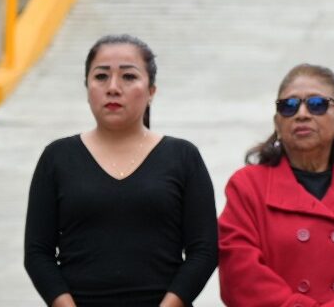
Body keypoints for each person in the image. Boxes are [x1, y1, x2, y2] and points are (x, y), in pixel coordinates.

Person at [24, 34, 218, 307]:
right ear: (87, 87)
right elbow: (37, 253)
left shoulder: (183, 157)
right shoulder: (57, 157)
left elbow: (204, 251)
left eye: (128, 76)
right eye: (101, 76)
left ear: (151, 91)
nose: (113, 88)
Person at [219, 63, 334, 307]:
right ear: (277, 123)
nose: (302, 114)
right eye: (289, 106)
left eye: (317, 104)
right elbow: (239, 273)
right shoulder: (247, 187)